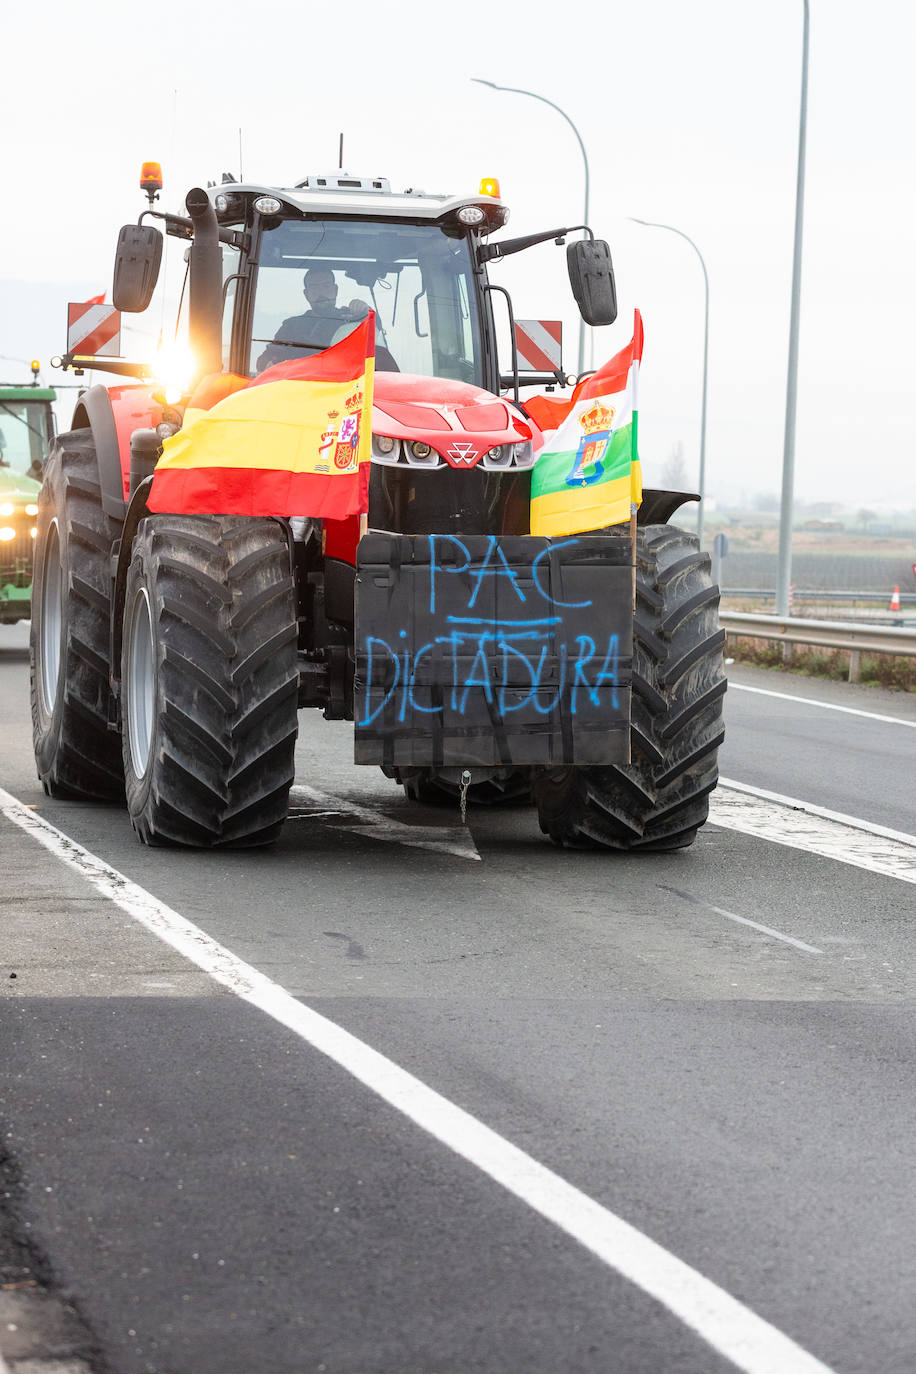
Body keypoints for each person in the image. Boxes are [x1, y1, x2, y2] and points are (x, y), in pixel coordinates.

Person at [257, 266, 368, 370]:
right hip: (302, 387)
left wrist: (365, 312)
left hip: (348, 386)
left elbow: (374, 346)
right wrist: (270, 365)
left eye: (326, 286)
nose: (321, 292)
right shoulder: (291, 327)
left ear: (335, 290)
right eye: (314, 287)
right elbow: (265, 361)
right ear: (306, 294)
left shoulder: (353, 320)